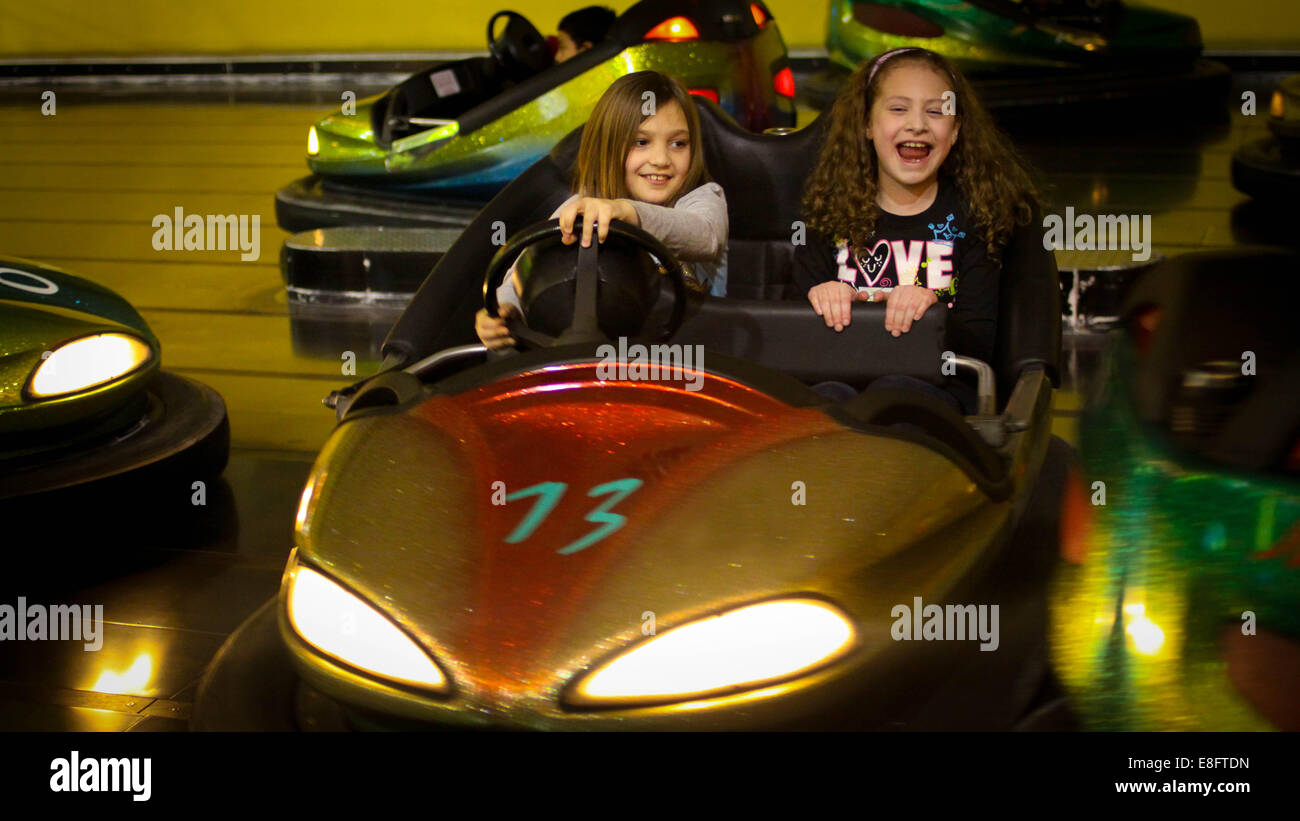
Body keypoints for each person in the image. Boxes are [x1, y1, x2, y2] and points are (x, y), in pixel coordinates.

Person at [793, 47, 1045, 412]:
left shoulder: (979, 215)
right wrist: (821, 297)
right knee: (825, 403)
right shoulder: (825, 213)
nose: (917, 124)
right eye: (898, 109)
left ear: (955, 129)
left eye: (935, 111)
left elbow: (979, 342)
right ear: (866, 123)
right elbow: (791, 339)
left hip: (937, 390)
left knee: (894, 396)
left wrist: (932, 316)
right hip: (842, 383)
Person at [477, 70, 729, 349]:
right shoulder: (580, 209)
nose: (661, 159)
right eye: (641, 142)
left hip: (699, 360)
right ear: (609, 146)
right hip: (604, 362)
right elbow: (525, 274)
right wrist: (502, 312)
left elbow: (706, 237)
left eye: (678, 144)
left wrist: (629, 213)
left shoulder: (704, 198)